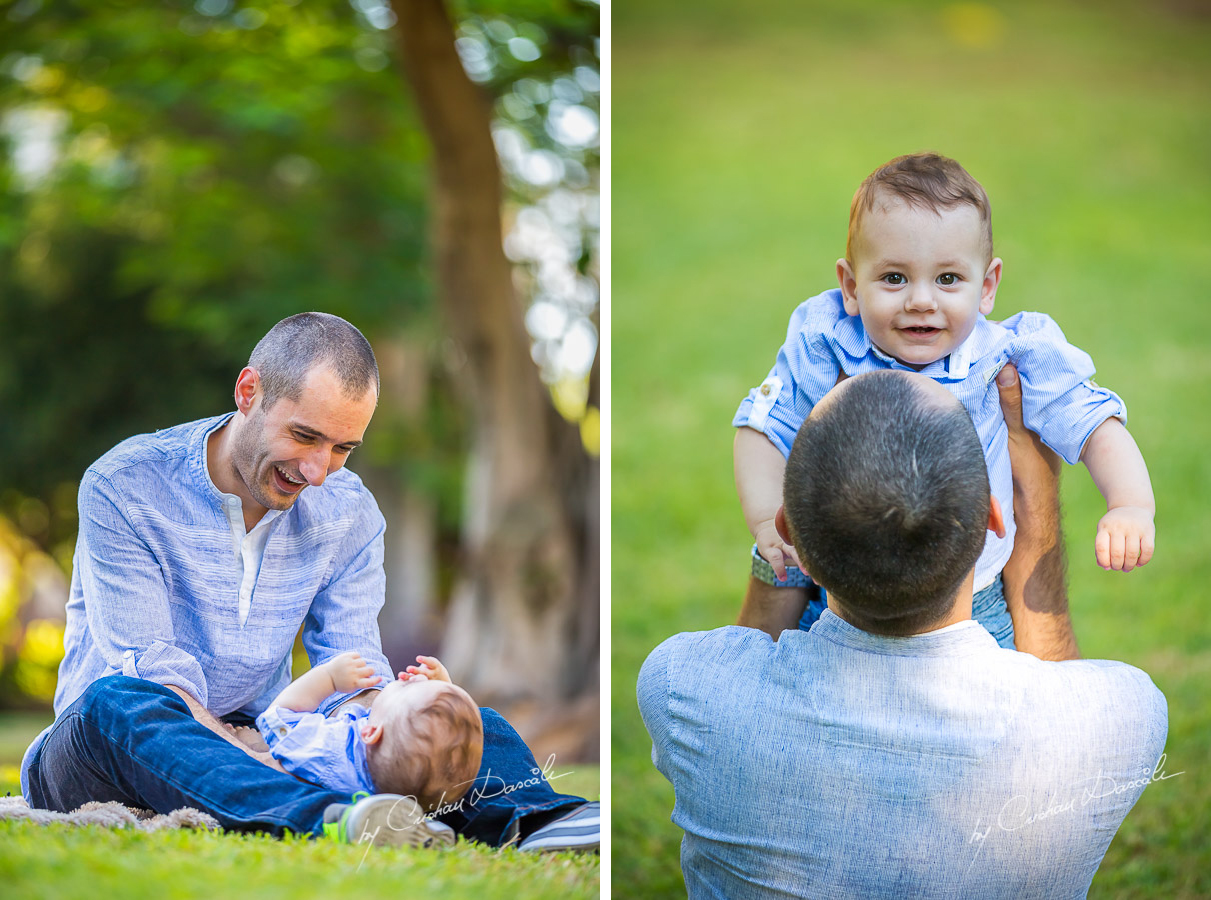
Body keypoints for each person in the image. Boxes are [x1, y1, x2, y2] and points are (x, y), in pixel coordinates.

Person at [21, 312, 598, 852]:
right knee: (121, 701)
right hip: (111, 745)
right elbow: (152, 667)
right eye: (304, 436)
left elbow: (353, 667)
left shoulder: (350, 513)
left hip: (268, 736)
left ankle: (534, 818)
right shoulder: (125, 487)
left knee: (448, 712)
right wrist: (246, 752)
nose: (318, 471)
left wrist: (410, 711)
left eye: (343, 448)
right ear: (249, 392)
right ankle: (327, 816)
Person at [639, 369, 1168, 898]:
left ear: (788, 530)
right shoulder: (1129, 715)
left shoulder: (681, 689)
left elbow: (741, 664)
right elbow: (1060, 709)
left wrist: (779, 557)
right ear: (991, 517)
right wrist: (1037, 510)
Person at [732, 152, 1155, 646]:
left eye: (948, 279)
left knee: (999, 711)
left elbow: (1095, 424)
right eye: (894, 278)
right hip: (836, 599)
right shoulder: (829, 343)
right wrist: (766, 518)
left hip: (974, 600)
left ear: (987, 286)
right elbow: (764, 426)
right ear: (850, 286)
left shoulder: (1007, 356)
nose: (921, 300)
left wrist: (1130, 503)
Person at [233, 651, 483, 838]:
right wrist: (443, 687)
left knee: (250, 750)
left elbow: (279, 716)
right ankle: (425, 824)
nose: (411, 679)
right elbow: (439, 738)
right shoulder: (405, 770)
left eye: (405, 687)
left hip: (304, 785)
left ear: (371, 732)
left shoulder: (333, 746)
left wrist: (328, 678)